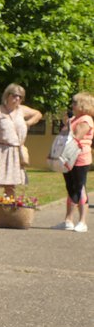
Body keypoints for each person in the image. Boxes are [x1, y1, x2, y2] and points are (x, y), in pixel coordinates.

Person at [0, 84, 42, 226]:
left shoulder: (22, 110)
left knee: (10, 186)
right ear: (7, 96)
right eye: (14, 95)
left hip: (14, 152)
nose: (17, 99)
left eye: (20, 97)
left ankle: (7, 217)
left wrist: (28, 123)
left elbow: (38, 114)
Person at [55, 92, 94, 232]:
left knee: (79, 187)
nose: (72, 105)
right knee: (70, 188)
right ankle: (68, 220)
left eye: (75, 103)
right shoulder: (75, 118)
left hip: (79, 157)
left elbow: (76, 137)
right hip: (68, 157)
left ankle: (82, 222)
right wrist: (67, 123)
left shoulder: (86, 120)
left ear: (83, 105)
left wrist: (68, 126)